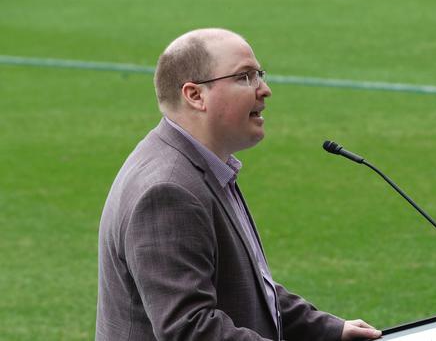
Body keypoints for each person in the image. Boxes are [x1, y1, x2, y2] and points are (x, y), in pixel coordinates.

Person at [95, 28, 382, 341]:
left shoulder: (202, 165)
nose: (265, 90)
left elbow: (247, 286)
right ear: (195, 95)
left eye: (259, 75)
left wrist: (329, 329)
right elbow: (191, 330)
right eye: (245, 77)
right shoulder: (168, 190)